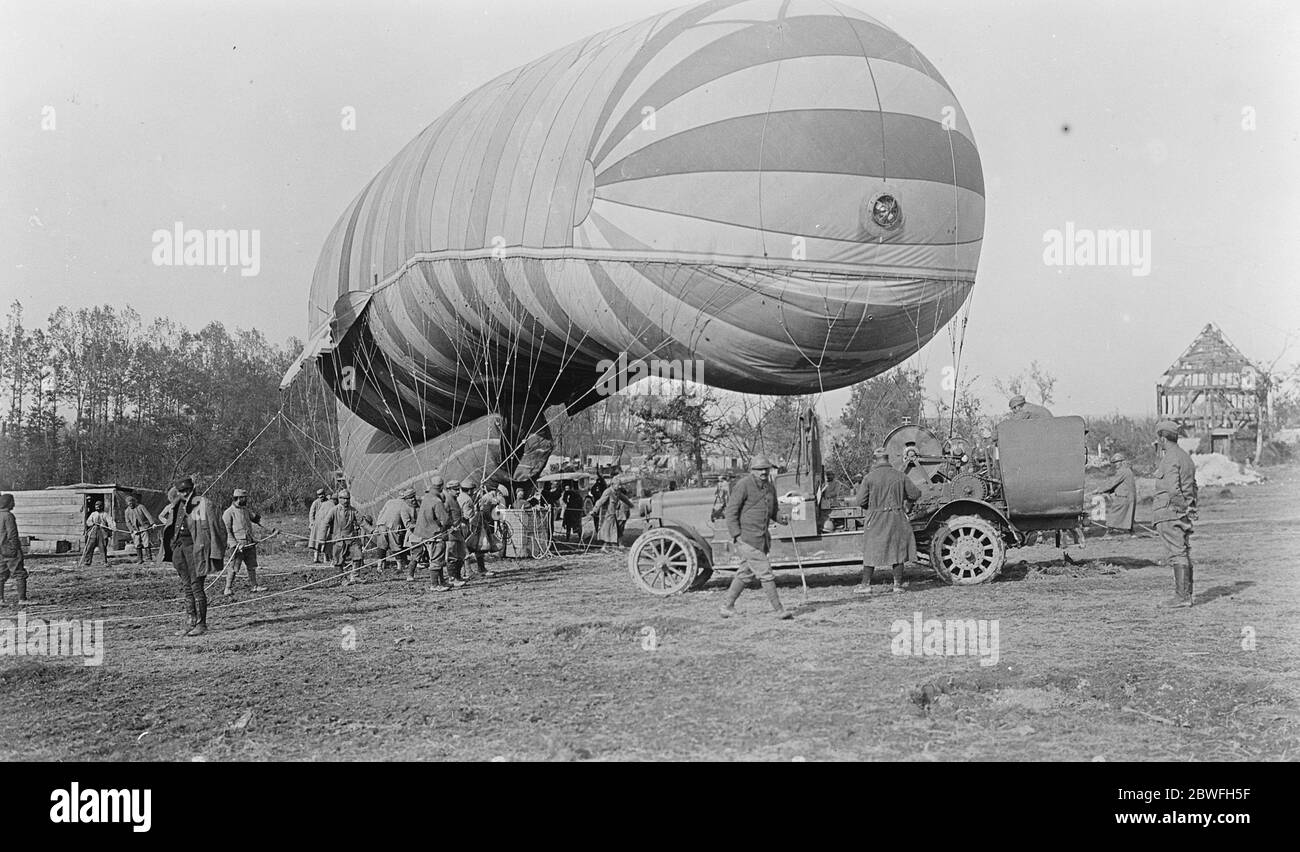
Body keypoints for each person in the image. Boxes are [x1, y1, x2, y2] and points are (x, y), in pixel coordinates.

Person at [720, 455, 792, 620]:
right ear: (752, 470)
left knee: (745, 573)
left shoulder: (770, 487)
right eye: (759, 469)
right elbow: (731, 512)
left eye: (766, 469)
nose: (763, 472)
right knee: (765, 572)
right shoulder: (743, 485)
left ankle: (727, 606)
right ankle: (779, 610)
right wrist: (736, 535)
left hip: (761, 539)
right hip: (747, 538)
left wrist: (782, 518)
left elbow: (774, 511)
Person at [162, 477, 226, 636]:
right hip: (180, 549)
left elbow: (218, 528)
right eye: (181, 491)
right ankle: (190, 623)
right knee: (187, 587)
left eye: (187, 490)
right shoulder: (175, 505)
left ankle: (201, 624)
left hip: (197, 550)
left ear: (193, 488)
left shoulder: (205, 504)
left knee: (196, 586)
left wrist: (216, 552)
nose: (185, 494)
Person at [854, 449, 921, 595]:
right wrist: (906, 505)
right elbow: (915, 494)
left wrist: (872, 508)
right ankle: (897, 585)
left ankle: (865, 585)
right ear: (887, 459)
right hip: (897, 517)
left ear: (875, 460)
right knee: (897, 550)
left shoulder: (869, 478)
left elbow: (860, 501)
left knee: (871, 550)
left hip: (875, 519)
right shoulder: (900, 475)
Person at [1152, 420, 1198, 608]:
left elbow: (1173, 489)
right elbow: (1193, 487)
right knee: (1183, 551)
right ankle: (1186, 595)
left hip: (1170, 512)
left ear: (1162, 438)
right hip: (1181, 511)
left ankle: (1182, 597)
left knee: (1177, 553)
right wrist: (1190, 508)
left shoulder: (1170, 458)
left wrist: (1180, 508)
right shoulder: (1185, 457)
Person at [415, 475, 460, 591]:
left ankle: (442, 582)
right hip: (435, 534)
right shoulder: (437, 501)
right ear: (441, 487)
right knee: (437, 559)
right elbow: (445, 519)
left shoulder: (427, 498)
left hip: (425, 533)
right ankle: (434, 585)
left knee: (437, 558)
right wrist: (452, 525)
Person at [221, 488, 266, 596]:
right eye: (244, 498)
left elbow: (257, 519)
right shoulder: (228, 513)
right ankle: (228, 588)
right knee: (234, 568)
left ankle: (254, 586)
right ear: (238, 498)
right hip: (237, 546)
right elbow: (226, 531)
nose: (246, 499)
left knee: (252, 566)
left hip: (249, 543)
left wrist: (272, 529)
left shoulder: (246, 510)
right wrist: (234, 544)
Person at [321, 489, 370, 586]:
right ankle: (342, 579)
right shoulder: (334, 510)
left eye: (348, 499)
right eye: (344, 499)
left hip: (351, 537)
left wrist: (372, 530)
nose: (346, 501)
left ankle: (355, 576)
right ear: (339, 499)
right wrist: (322, 538)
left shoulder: (353, 510)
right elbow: (325, 523)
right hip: (338, 538)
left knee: (358, 555)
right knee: (338, 560)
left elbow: (362, 522)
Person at [374, 487, 418, 578]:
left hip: (382, 525)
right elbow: (406, 522)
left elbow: (381, 512)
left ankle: (379, 566)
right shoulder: (404, 505)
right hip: (393, 527)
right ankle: (399, 566)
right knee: (396, 546)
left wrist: (378, 525)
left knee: (381, 546)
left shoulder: (389, 502)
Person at [461, 477, 498, 579]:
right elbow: (468, 516)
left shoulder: (460, 497)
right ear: (469, 490)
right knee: (468, 548)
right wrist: (478, 511)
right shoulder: (467, 499)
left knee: (475, 547)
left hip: (468, 525)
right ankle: (469, 571)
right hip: (468, 526)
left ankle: (477, 569)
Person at [0, 493, 33, 606]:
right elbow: (12, 534)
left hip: (0, 550)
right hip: (10, 549)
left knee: (1, 574)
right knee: (19, 573)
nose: (14, 504)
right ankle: (22, 599)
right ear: (8, 503)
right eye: (12, 502)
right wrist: (15, 549)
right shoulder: (8, 516)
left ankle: (1, 600)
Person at [1092, 452, 1137, 534]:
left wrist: (1099, 490)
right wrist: (1108, 491)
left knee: (1112, 515)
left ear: (1122, 462)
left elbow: (1112, 483)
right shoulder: (1127, 470)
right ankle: (1132, 532)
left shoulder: (1123, 471)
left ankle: (1109, 533)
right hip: (1128, 497)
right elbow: (1119, 484)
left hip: (1124, 498)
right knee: (1127, 515)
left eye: (1117, 462)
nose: (1115, 464)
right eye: (1114, 463)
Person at [587, 481, 632, 549]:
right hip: (608, 516)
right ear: (613, 484)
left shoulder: (617, 492)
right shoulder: (608, 492)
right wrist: (594, 511)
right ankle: (612, 547)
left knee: (612, 532)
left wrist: (632, 505)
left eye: (620, 485)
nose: (620, 487)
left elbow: (624, 499)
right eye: (618, 485)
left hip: (613, 516)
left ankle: (606, 547)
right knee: (610, 532)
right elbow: (600, 501)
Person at [442, 478, 468, 586]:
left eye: (458, 489)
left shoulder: (454, 499)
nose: (458, 491)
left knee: (461, 554)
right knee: (452, 556)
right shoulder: (447, 501)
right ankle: (452, 578)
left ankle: (457, 576)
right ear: (449, 490)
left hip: (458, 531)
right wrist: (450, 526)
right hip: (451, 533)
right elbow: (443, 517)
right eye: (455, 489)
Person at [123, 494, 158, 563]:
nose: (130, 505)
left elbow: (148, 515)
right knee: (137, 543)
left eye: (131, 503)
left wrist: (152, 523)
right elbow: (128, 522)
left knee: (146, 542)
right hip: (135, 529)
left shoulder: (141, 507)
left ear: (134, 502)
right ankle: (140, 559)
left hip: (143, 527)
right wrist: (132, 530)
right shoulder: (127, 511)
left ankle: (149, 558)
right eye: (129, 504)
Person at [82, 499, 115, 566]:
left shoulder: (105, 514)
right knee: (89, 547)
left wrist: (112, 527)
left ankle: (104, 561)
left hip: (102, 532)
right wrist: (92, 523)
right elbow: (88, 522)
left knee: (102, 547)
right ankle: (87, 561)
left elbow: (110, 522)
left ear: (101, 506)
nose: (97, 507)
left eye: (99, 506)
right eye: (96, 506)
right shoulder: (93, 514)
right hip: (93, 531)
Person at [311, 492, 337, 564]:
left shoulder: (325, 503)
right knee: (326, 541)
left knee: (318, 541)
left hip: (319, 524)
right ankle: (324, 559)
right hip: (324, 524)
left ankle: (320, 558)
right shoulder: (332, 505)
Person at [307, 487, 329, 563]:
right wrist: (312, 523)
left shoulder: (328, 502)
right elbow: (311, 514)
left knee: (326, 542)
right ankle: (316, 558)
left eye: (322, 494)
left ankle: (326, 559)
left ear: (324, 494)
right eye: (319, 495)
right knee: (316, 542)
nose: (321, 496)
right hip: (317, 526)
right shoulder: (315, 503)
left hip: (325, 525)